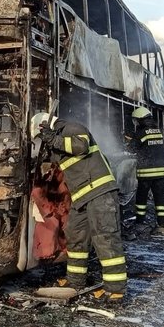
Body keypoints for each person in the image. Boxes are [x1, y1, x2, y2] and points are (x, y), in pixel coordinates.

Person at [30, 112, 127, 303]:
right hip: (81, 197)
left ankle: (115, 290)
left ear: (45, 125)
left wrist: (52, 138)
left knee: (105, 238)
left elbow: (80, 147)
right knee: (75, 236)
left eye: (41, 135)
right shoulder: (56, 140)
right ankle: (75, 281)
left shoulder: (73, 128)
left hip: (100, 193)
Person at [127, 106, 164, 229]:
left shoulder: (141, 133)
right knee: (160, 199)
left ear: (140, 120)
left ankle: (140, 221)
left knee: (141, 199)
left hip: (146, 173)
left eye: (136, 120)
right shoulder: (159, 131)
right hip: (160, 172)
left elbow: (132, 148)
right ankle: (162, 223)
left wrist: (130, 141)